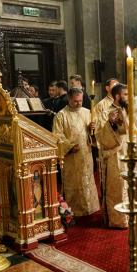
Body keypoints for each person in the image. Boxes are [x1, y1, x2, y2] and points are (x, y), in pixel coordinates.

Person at [53, 88, 100, 217]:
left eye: (80, 101)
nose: (79, 103)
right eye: (75, 101)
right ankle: (73, 209)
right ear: (69, 99)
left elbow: (94, 134)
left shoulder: (88, 112)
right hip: (71, 156)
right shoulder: (61, 115)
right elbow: (57, 136)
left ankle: (90, 207)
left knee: (87, 179)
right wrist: (69, 147)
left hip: (86, 153)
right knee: (72, 182)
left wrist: (92, 130)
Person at [95, 83, 129, 228]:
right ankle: (117, 220)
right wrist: (110, 122)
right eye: (125, 94)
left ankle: (128, 216)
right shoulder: (105, 112)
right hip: (114, 156)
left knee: (128, 187)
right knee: (116, 188)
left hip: (128, 153)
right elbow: (100, 136)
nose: (127, 97)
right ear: (117, 96)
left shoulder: (128, 110)